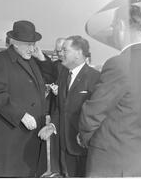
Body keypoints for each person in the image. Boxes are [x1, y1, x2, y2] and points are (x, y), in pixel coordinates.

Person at [78, 5, 141, 177]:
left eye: (113, 26)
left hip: (111, 160)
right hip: (140, 160)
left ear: (121, 26)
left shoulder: (119, 63)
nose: (113, 32)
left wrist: (85, 137)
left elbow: (93, 111)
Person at [0, 20, 47, 177]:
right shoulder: (0, 60)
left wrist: (42, 58)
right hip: (13, 131)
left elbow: (52, 76)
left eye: (34, 44)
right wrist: (21, 115)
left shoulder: (32, 60)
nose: (32, 48)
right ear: (16, 43)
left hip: (32, 132)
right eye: (28, 44)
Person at [36, 36, 100, 177]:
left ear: (78, 53)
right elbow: (61, 108)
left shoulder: (95, 78)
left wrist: (85, 136)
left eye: (65, 50)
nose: (61, 53)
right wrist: (52, 125)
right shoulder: (64, 75)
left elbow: (97, 114)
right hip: (64, 146)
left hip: (83, 148)